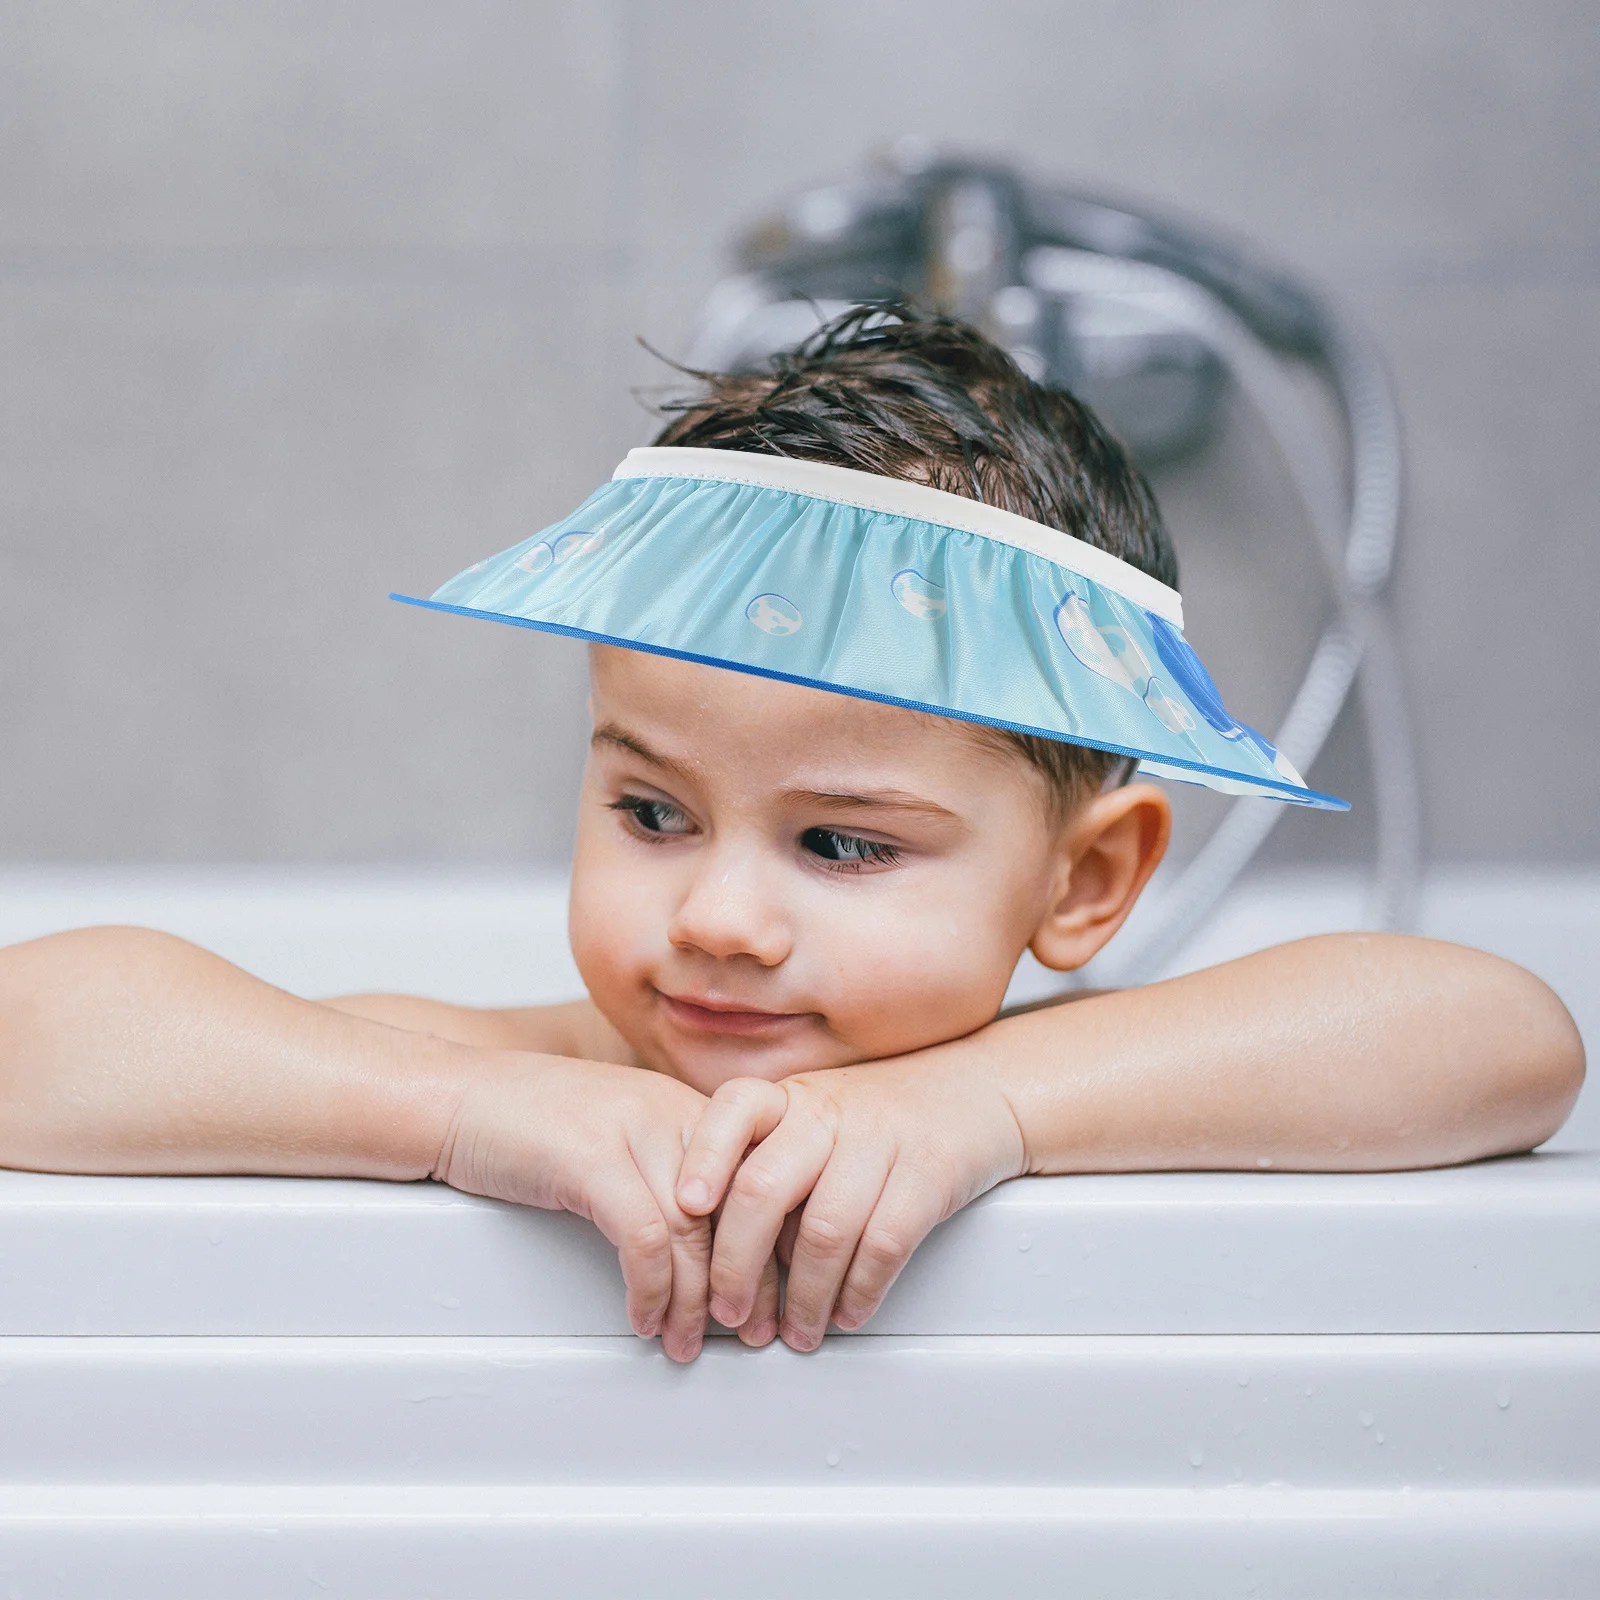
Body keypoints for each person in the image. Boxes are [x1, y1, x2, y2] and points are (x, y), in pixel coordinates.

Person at [0, 308, 1582, 1365]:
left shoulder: (1067, 1079)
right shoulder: (522, 1069)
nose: (719, 919)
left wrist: (977, 1110)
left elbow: (1504, 1039)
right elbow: (35, 1036)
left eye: (842, 845)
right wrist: (460, 1111)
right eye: (650, 810)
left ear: (1085, 880)